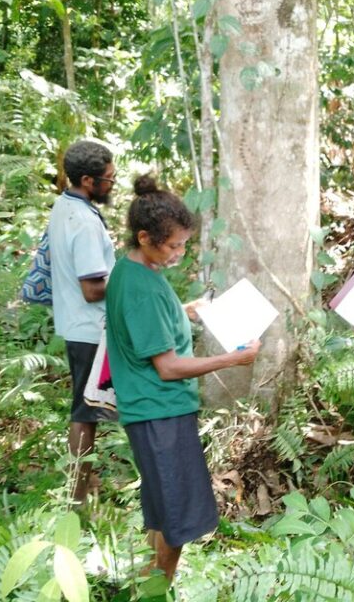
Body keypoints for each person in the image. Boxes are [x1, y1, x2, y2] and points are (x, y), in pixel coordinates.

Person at [104, 174, 260, 585]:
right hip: (160, 413)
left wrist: (184, 309)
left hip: (152, 412)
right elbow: (168, 366)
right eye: (173, 246)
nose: (180, 253)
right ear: (144, 238)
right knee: (176, 521)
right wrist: (233, 359)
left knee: (162, 512)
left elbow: (149, 322)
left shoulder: (131, 271)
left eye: (184, 244)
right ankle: (158, 588)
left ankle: (148, 585)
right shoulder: (142, 287)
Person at [47, 140, 118, 506]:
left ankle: (80, 490)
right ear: (89, 180)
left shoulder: (64, 206)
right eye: (109, 179)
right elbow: (92, 289)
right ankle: (75, 500)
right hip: (91, 328)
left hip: (75, 324)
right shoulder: (86, 223)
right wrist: (129, 283)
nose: (112, 184)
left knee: (85, 408)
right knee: (85, 411)